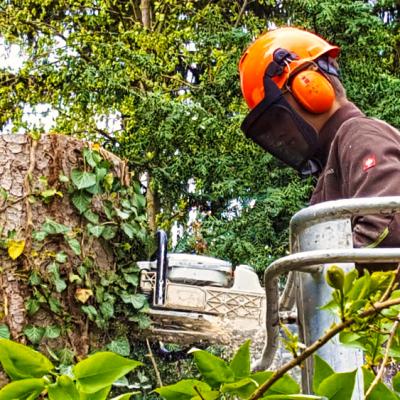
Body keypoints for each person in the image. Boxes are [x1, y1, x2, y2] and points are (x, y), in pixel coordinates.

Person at [238, 27, 400, 258]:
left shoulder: (358, 134)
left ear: (308, 85)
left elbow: (387, 223)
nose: (281, 135)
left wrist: (331, 281)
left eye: (278, 118)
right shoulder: (330, 172)